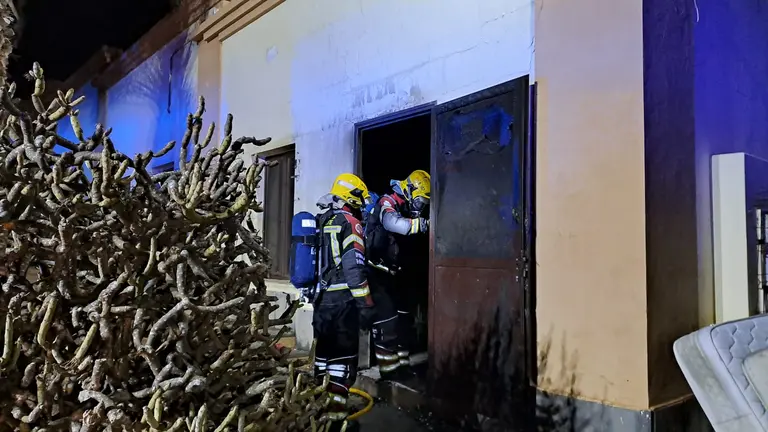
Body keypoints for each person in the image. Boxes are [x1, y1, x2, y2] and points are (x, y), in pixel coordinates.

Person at [312, 173, 375, 432]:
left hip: (320, 304)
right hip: (342, 305)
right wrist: (366, 305)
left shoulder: (321, 220)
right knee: (342, 365)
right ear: (352, 197)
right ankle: (336, 423)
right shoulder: (350, 223)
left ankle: (316, 416)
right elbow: (354, 270)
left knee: (322, 362)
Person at [364, 169, 430, 380]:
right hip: (377, 271)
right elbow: (394, 224)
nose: (421, 207)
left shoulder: (406, 206)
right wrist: (424, 224)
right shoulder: (388, 202)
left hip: (395, 272)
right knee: (387, 320)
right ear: (410, 190)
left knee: (403, 318)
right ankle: (389, 373)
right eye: (420, 202)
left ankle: (402, 364)